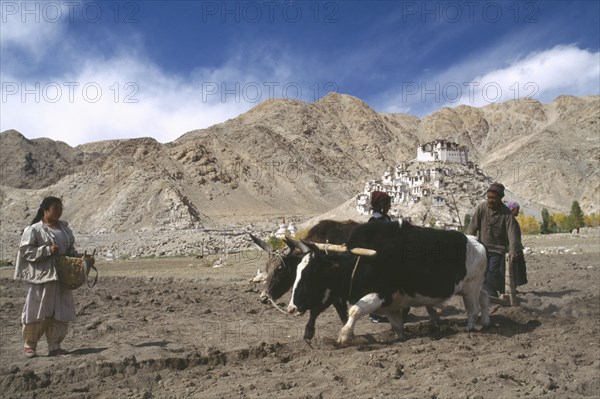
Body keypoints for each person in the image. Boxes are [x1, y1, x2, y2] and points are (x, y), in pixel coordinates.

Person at [14, 196, 80, 358]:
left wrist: (81, 259)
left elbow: (70, 250)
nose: (59, 211)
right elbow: (25, 251)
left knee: (60, 312)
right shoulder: (34, 230)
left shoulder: (65, 230)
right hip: (42, 279)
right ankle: (30, 345)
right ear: (46, 210)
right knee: (37, 311)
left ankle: (55, 345)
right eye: (55, 208)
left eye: (60, 208)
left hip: (62, 279)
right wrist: (47, 250)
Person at [466, 183, 520, 298]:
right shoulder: (482, 208)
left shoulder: (506, 213)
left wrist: (513, 251)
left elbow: (512, 233)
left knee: (492, 272)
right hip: (482, 248)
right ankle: (492, 293)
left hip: (498, 249)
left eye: (493, 198)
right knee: (481, 273)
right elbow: (472, 226)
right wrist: (468, 243)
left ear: (500, 198)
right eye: (489, 197)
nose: (491, 200)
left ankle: (493, 294)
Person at [368, 191, 391, 323]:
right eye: (388, 204)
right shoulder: (375, 220)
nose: (390, 206)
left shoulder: (385, 218)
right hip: (378, 259)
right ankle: (374, 314)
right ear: (382, 205)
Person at [506, 201, 528, 287]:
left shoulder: (511, 219)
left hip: (516, 247)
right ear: (512, 209)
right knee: (514, 270)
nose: (518, 212)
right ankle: (512, 288)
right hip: (514, 248)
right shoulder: (510, 220)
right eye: (517, 210)